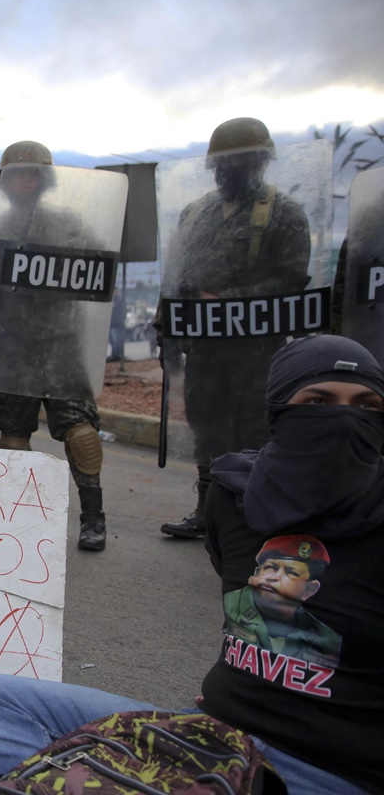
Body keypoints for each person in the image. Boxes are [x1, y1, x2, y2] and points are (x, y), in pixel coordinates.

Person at [0, 334, 384, 795]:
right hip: (210, 734)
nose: (344, 418)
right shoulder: (234, 497)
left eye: (368, 405)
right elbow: (242, 618)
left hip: (321, 771)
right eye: (318, 401)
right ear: (279, 410)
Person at [159, 117, 311, 539]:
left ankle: (253, 513)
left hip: (256, 349)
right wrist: (165, 329)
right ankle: (208, 511)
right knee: (206, 424)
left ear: (261, 162)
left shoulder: (283, 212)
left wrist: (225, 300)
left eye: (242, 161)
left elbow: (291, 280)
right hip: (205, 347)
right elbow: (174, 277)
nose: (231, 169)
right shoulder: (195, 214)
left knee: (253, 430)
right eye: (224, 163)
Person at [0, 141, 109, 551]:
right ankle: (20, 519)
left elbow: (97, 276)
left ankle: (93, 517)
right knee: (14, 437)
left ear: (43, 180)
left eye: (30, 175)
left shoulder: (72, 226)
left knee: (81, 433)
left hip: (61, 347)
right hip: (12, 352)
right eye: (15, 176)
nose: (22, 182)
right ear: (4, 184)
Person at [222, 535, 340, 667]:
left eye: (291, 572)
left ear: (309, 589)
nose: (274, 577)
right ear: (256, 573)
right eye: (270, 567)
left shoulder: (327, 638)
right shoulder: (233, 602)